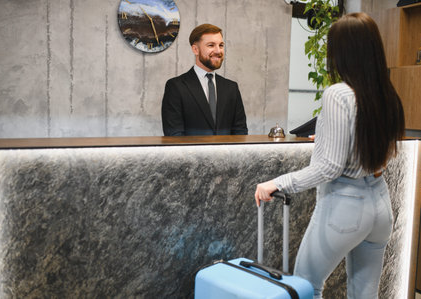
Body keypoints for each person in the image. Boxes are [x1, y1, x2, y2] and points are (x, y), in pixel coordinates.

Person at [254, 13, 404, 299]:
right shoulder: (386, 93)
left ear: (343, 51)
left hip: (344, 206)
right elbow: (372, 149)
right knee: (364, 294)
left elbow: (329, 167)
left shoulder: (338, 94)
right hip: (380, 207)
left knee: (305, 287)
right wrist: (327, 136)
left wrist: (278, 183)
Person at [161, 24, 248, 136]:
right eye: (211, 45)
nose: (218, 51)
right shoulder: (176, 86)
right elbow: (174, 134)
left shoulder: (231, 88)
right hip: (191, 154)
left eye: (221, 45)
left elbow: (240, 132)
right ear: (195, 49)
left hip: (228, 154)